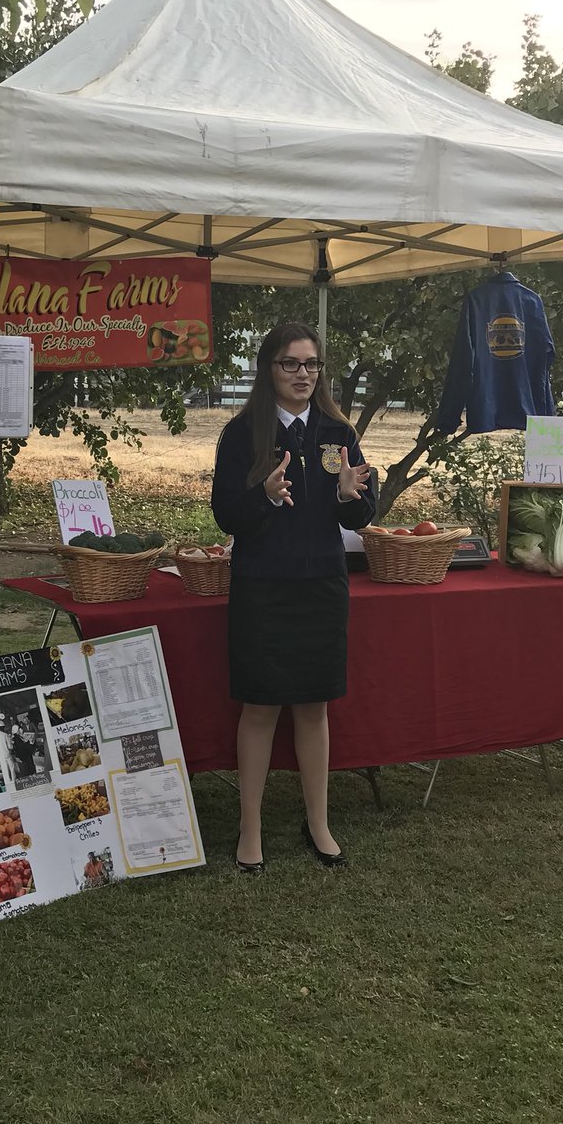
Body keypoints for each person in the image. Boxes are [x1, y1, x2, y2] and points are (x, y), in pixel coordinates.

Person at [211, 322, 376, 872]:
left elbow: (360, 513)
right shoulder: (242, 435)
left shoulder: (337, 432)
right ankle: (250, 829)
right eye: (290, 363)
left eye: (311, 364)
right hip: (262, 586)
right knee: (259, 707)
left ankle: (319, 823)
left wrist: (350, 497)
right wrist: (262, 496)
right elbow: (226, 514)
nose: (302, 374)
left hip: (321, 586)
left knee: (313, 706)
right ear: (269, 369)